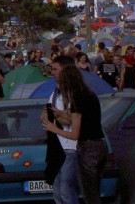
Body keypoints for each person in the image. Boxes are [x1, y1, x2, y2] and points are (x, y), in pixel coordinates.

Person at [43, 65, 108, 204]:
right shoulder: (89, 94)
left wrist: (54, 128)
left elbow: (74, 134)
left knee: (90, 195)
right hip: (101, 144)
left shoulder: (77, 99)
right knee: (94, 191)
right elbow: (76, 116)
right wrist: (59, 113)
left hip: (88, 147)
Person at [41, 55, 78, 204]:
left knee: (66, 191)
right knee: (57, 191)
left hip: (69, 147)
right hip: (56, 146)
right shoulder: (55, 92)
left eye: (55, 69)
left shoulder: (74, 93)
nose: (53, 73)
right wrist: (55, 115)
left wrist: (56, 117)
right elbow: (44, 114)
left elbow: (71, 120)